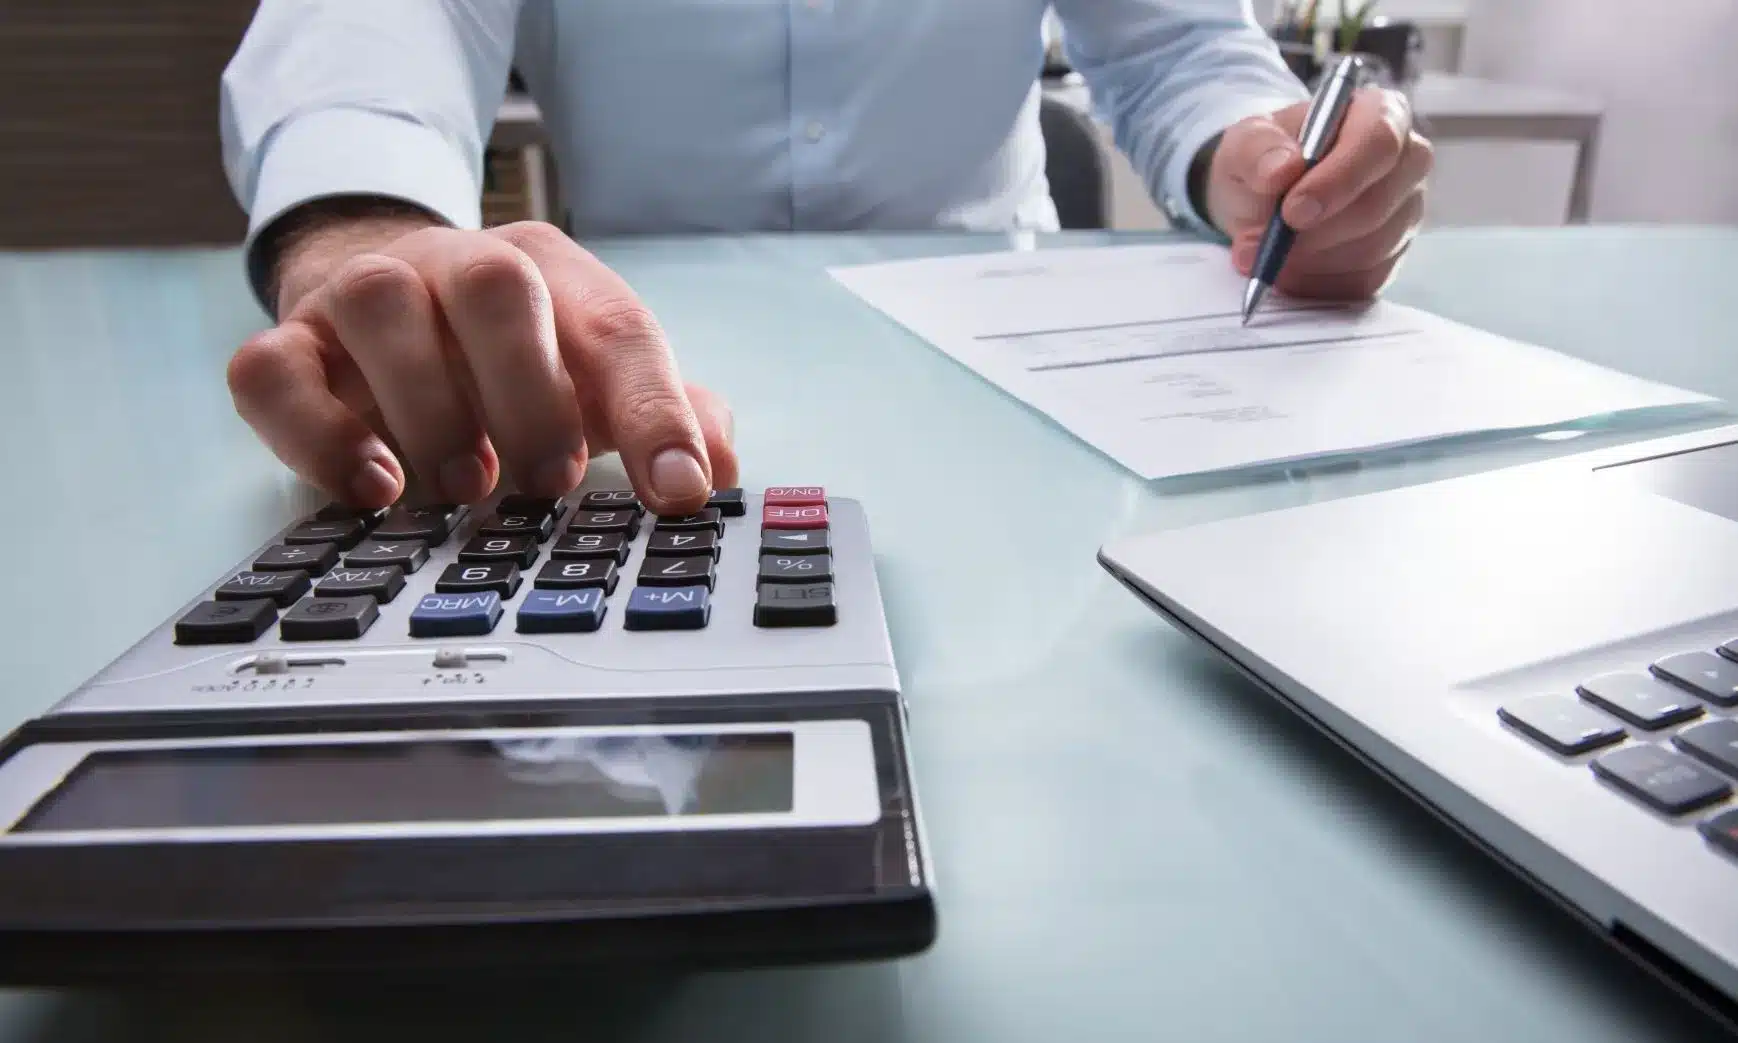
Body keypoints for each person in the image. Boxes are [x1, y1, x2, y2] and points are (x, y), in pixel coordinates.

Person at [219, 0, 1433, 516]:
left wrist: (1259, 156)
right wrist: (364, 225)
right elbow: (380, 24)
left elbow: (1176, 51)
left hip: (1022, 368)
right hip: (649, 351)